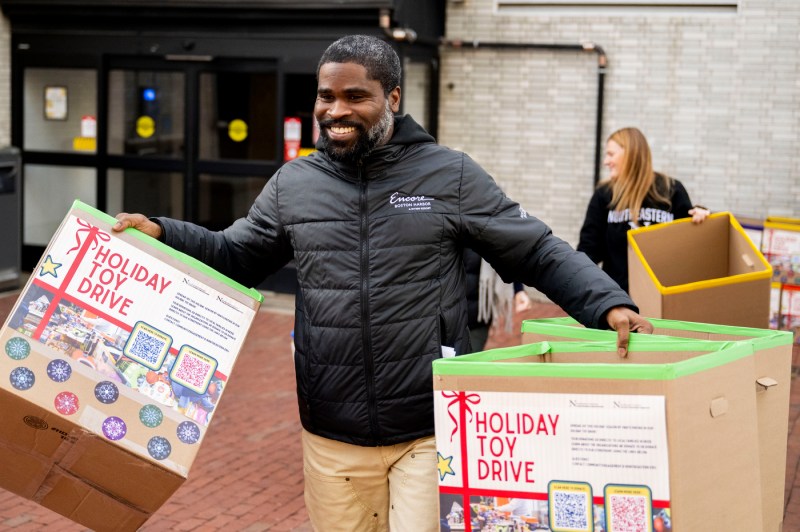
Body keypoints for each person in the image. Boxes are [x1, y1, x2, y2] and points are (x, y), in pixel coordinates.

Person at [113, 34, 653, 532]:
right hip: (331, 432)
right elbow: (235, 254)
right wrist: (164, 232)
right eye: (326, 96)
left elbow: (533, 248)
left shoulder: (450, 175)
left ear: (393, 97)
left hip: (426, 427)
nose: (336, 110)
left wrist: (606, 304)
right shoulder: (294, 184)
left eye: (356, 95)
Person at [577, 127, 710, 293]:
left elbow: (691, 240)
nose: (605, 161)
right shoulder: (604, 194)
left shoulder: (671, 189)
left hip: (662, 298)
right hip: (617, 299)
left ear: (631, 153)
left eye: (611, 154)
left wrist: (702, 215)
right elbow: (588, 251)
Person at [463, 247, 532, 352]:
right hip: (442, 316)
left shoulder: (490, 233)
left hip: (479, 314)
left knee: (468, 361)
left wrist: (518, 290)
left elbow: (507, 255)